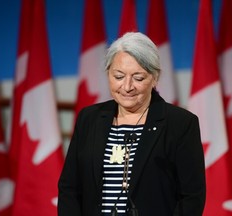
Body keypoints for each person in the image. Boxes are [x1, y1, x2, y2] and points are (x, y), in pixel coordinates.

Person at [58, 32, 206, 216]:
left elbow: (191, 197)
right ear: (108, 74)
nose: (127, 87)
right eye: (119, 76)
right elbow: (69, 188)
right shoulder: (89, 119)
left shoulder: (180, 124)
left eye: (138, 78)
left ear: (155, 78)